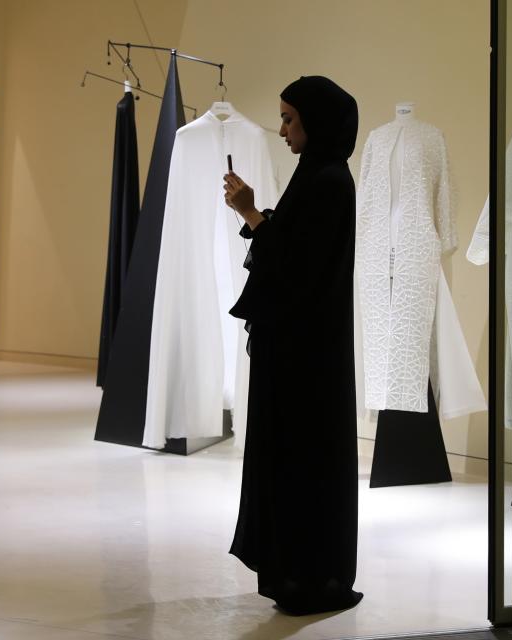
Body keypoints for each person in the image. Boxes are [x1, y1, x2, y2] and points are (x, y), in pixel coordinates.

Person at [222, 76, 362, 616]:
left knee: (304, 461)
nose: (281, 129)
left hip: (307, 357)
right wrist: (258, 218)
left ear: (316, 122)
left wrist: (252, 215)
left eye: (289, 119)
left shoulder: (327, 180)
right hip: (302, 350)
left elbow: (299, 265)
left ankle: (313, 577)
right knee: (296, 460)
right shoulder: (319, 175)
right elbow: (296, 245)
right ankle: (300, 573)